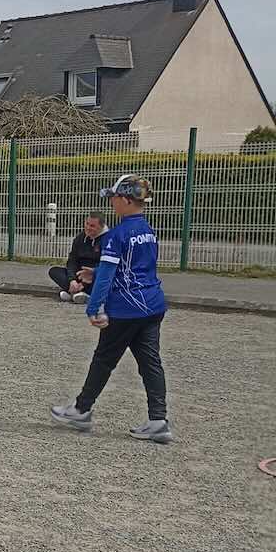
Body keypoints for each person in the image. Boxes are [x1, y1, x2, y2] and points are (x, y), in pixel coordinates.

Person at [50, 174, 173, 444]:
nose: (112, 203)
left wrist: (93, 307)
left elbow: (108, 275)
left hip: (126, 309)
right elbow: (137, 269)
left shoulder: (116, 235)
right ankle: (158, 420)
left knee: (104, 360)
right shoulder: (148, 232)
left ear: (126, 200)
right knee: (151, 363)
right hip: (152, 305)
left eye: (115, 198)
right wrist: (95, 272)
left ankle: (81, 410)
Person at [48, 212, 108, 304]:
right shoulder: (80, 238)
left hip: (94, 275)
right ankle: (78, 292)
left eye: (92, 226)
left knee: (104, 278)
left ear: (102, 226)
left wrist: (88, 278)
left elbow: (108, 265)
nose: (88, 228)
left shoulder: (109, 240)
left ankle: (77, 293)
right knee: (54, 271)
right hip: (79, 275)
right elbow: (72, 260)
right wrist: (72, 280)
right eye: (87, 224)